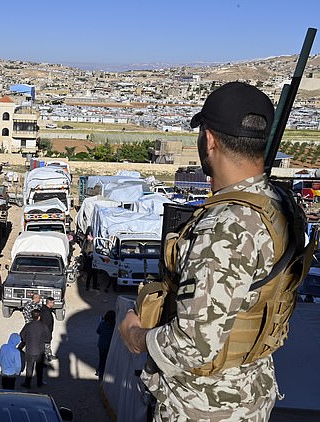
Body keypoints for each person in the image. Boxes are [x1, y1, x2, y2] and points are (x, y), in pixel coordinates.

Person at [119, 82, 304, 421]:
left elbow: (192, 346)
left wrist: (135, 334)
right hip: (251, 391)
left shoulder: (224, 229)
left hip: (203, 404)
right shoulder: (282, 205)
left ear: (209, 140)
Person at [20, 309, 49, 388]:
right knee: (39, 369)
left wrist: (26, 341)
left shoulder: (28, 325)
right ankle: (39, 383)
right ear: (39, 317)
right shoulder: (43, 326)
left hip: (30, 350)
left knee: (29, 368)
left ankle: (27, 383)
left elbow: (22, 336)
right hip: (40, 351)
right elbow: (48, 339)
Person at [96, 310, 115, 380]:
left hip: (101, 345)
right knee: (108, 360)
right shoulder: (114, 326)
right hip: (109, 346)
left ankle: (100, 374)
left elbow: (98, 331)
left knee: (102, 360)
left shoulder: (102, 323)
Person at [40, 297, 57, 362]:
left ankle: (49, 355)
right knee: (45, 345)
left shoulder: (46, 310)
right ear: (49, 303)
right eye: (53, 302)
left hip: (47, 332)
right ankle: (45, 360)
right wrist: (47, 333)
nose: (53, 304)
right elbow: (46, 324)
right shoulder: (46, 312)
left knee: (47, 345)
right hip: (46, 332)